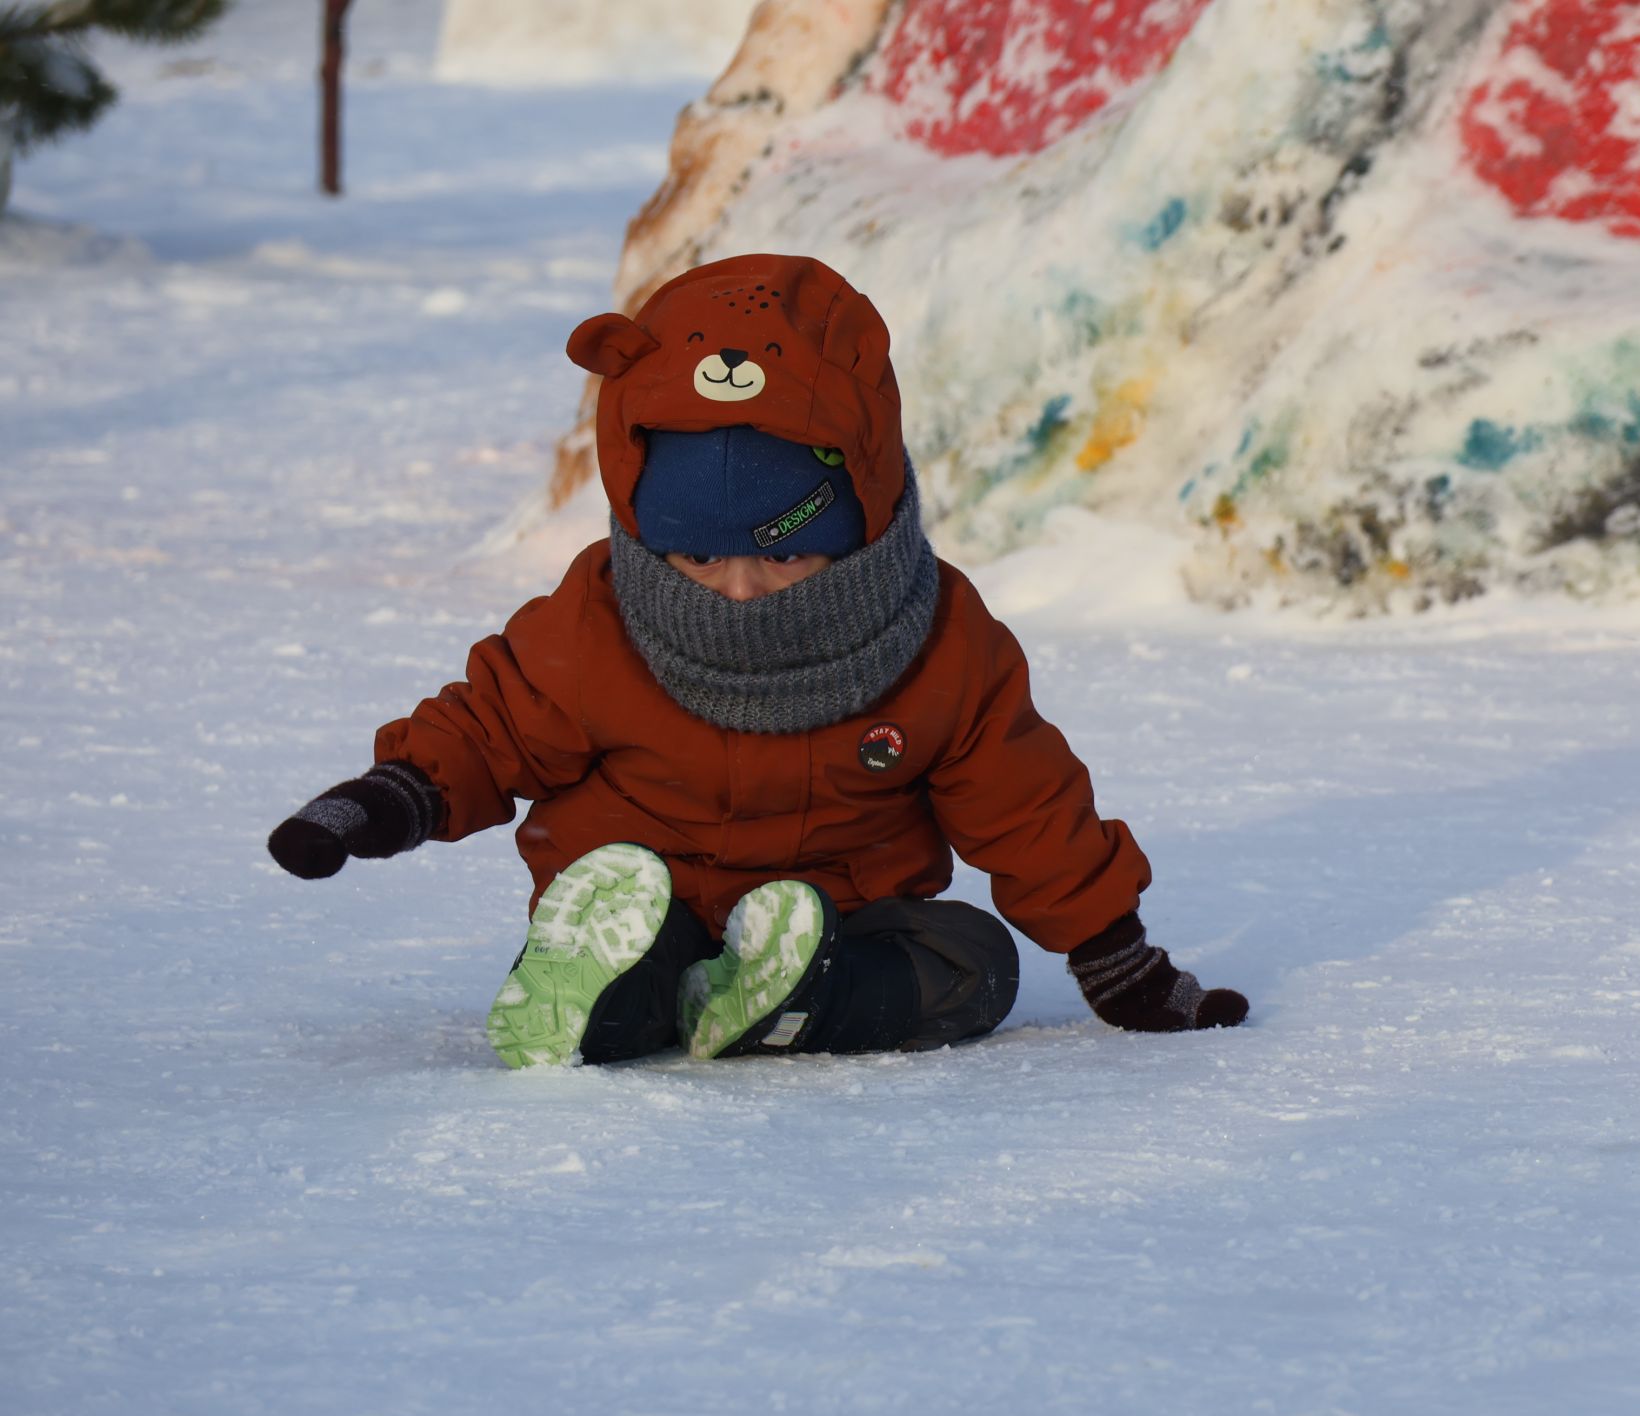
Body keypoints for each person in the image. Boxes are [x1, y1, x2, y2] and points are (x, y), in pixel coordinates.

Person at [268, 253, 1248, 1067]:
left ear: (856, 518)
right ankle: (605, 990)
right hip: (646, 899)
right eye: (697, 554)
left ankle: (796, 994)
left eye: (780, 552)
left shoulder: (937, 635)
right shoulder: (600, 619)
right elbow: (493, 723)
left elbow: (1025, 806)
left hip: (845, 917)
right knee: (633, 952)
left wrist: (1119, 962)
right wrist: (386, 798)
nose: (735, 587)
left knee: (974, 960)